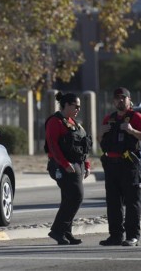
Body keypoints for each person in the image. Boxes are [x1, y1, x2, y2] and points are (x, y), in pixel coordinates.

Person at [98, 87, 141, 247]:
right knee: (113, 203)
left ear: (129, 100)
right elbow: (101, 140)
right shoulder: (109, 118)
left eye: (123, 98)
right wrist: (100, 133)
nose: (120, 100)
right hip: (111, 165)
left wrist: (132, 130)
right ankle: (115, 236)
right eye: (117, 98)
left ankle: (133, 236)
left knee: (132, 202)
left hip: (129, 165)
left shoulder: (137, 117)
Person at [45, 92, 92, 245]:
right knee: (76, 196)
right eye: (75, 106)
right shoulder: (55, 121)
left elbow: (82, 146)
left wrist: (86, 164)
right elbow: (53, 145)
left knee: (68, 198)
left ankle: (66, 232)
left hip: (76, 165)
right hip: (62, 166)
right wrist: (64, 164)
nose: (78, 109)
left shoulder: (74, 123)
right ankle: (57, 230)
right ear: (66, 105)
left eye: (79, 106)